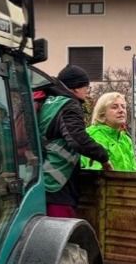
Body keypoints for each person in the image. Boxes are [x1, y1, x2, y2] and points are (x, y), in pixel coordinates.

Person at [38, 64, 111, 217]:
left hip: (40, 179)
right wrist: (103, 157)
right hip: (57, 184)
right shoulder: (69, 104)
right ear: (77, 88)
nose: (87, 92)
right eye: (87, 88)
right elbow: (78, 139)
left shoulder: (48, 100)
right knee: (58, 231)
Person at [82, 92, 136, 172]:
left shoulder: (126, 139)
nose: (121, 110)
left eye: (123, 107)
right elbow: (97, 174)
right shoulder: (93, 135)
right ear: (102, 114)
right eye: (115, 107)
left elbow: (134, 172)